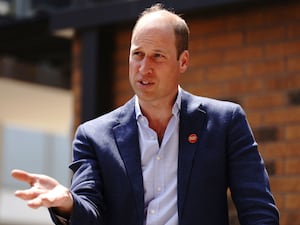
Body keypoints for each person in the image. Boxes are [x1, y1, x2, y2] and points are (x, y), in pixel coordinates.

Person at [11, 3, 279, 225]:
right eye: (137, 54)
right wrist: (68, 204)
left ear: (183, 61)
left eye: (157, 56)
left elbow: (259, 212)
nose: (143, 68)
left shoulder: (225, 122)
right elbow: (91, 213)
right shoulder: (93, 136)